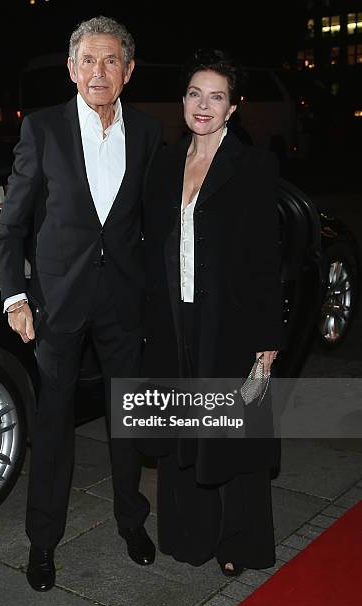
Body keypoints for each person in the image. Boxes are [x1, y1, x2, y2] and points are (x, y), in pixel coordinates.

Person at [0, 16, 161, 592]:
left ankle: (131, 521)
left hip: (122, 303)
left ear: (128, 71)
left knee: (128, 420)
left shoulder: (147, 134)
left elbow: (155, 224)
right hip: (56, 306)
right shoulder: (41, 130)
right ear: (71, 69)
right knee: (54, 427)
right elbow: (12, 226)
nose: (99, 71)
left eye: (111, 60)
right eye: (88, 60)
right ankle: (43, 543)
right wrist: (15, 296)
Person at [142, 50, 284, 575]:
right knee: (183, 431)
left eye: (216, 97)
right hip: (174, 321)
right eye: (195, 94)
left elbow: (266, 258)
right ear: (182, 101)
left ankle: (240, 542)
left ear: (232, 108)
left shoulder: (253, 165)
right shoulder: (164, 163)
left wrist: (267, 338)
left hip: (230, 321)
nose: (204, 105)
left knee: (234, 438)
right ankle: (189, 534)